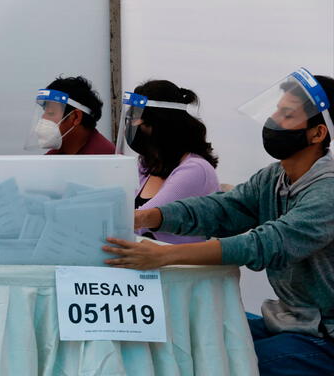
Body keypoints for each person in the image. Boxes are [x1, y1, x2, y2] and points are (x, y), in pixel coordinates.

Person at [103, 69, 334, 376]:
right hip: (289, 319)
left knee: (226, 363)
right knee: (194, 342)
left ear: (317, 134)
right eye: (276, 109)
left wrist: (165, 255)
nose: (272, 120)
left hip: (324, 335)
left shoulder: (327, 191)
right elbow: (224, 209)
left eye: (286, 114)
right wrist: (151, 216)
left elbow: (268, 243)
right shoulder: (274, 177)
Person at [119, 80, 220, 243]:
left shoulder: (195, 170)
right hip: (145, 260)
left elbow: (140, 221)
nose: (128, 128)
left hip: (178, 266)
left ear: (159, 123)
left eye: (135, 120)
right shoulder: (147, 165)